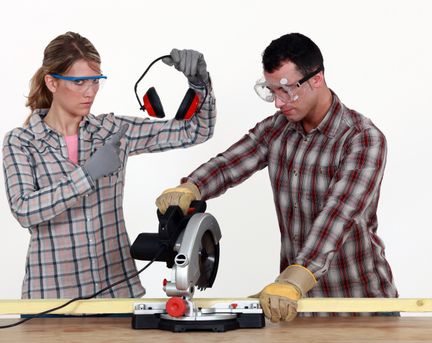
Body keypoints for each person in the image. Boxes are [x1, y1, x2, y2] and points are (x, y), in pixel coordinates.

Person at [156, 33, 398, 321]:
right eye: (271, 91)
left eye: (286, 90)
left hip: (361, 304)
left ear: (316, 79)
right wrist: (191, 187)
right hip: (295, 305)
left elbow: (338, 215)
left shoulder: (362, 139)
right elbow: (230, 163)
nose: (278, 103)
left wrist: (296, 278)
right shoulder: (277, 130)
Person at [2, 32, 216, 299]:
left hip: (116, 293)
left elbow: (196, 131)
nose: (90, 92)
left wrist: (200, 83)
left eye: (96, 81)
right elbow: (24, 210)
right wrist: (87, 174)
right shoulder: (21, 142)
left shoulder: (111, 131)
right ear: (52, 83)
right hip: (51, 296)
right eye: (79, 82)